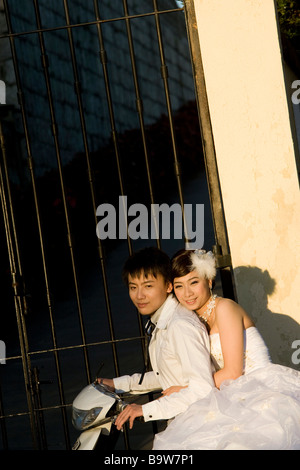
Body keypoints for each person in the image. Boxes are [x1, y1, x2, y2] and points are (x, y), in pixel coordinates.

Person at [153, 249, 300, 450]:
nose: (187, 293)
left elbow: (233, 372)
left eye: (194, 282)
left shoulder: (225, 308)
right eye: (179, 286)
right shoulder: (193, 321)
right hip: (229, 393)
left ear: (209, 281)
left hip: (258, 387)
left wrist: (187, 390)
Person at [98, 246, 215, 432]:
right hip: (184, 420)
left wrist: (145, 409)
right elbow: (167, 374)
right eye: (133, 287)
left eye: (148, 286)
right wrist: (118, 384)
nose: (139, 296)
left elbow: (203, 389)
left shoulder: (179, 326)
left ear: (168, 286)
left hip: (201, 425)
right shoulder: (162, 321)